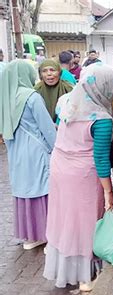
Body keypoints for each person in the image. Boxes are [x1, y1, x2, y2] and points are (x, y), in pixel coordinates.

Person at [43, 64, 113, 291]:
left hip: (59, 167)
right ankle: (85, 277)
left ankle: (64, 269)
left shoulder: (66, 102)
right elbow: (101, 160)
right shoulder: (101, 120)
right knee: (86, 222)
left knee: (64, 218)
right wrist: (109, 193)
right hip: (83, 175)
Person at [0, 60, 57, 250]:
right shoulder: (31, 97)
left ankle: (28, 236)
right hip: (35, 150)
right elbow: (47, 127)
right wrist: (57, 147)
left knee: (24, 191)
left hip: (15, 152)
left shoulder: (5, 98)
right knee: (41, 189)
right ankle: (43, 233)